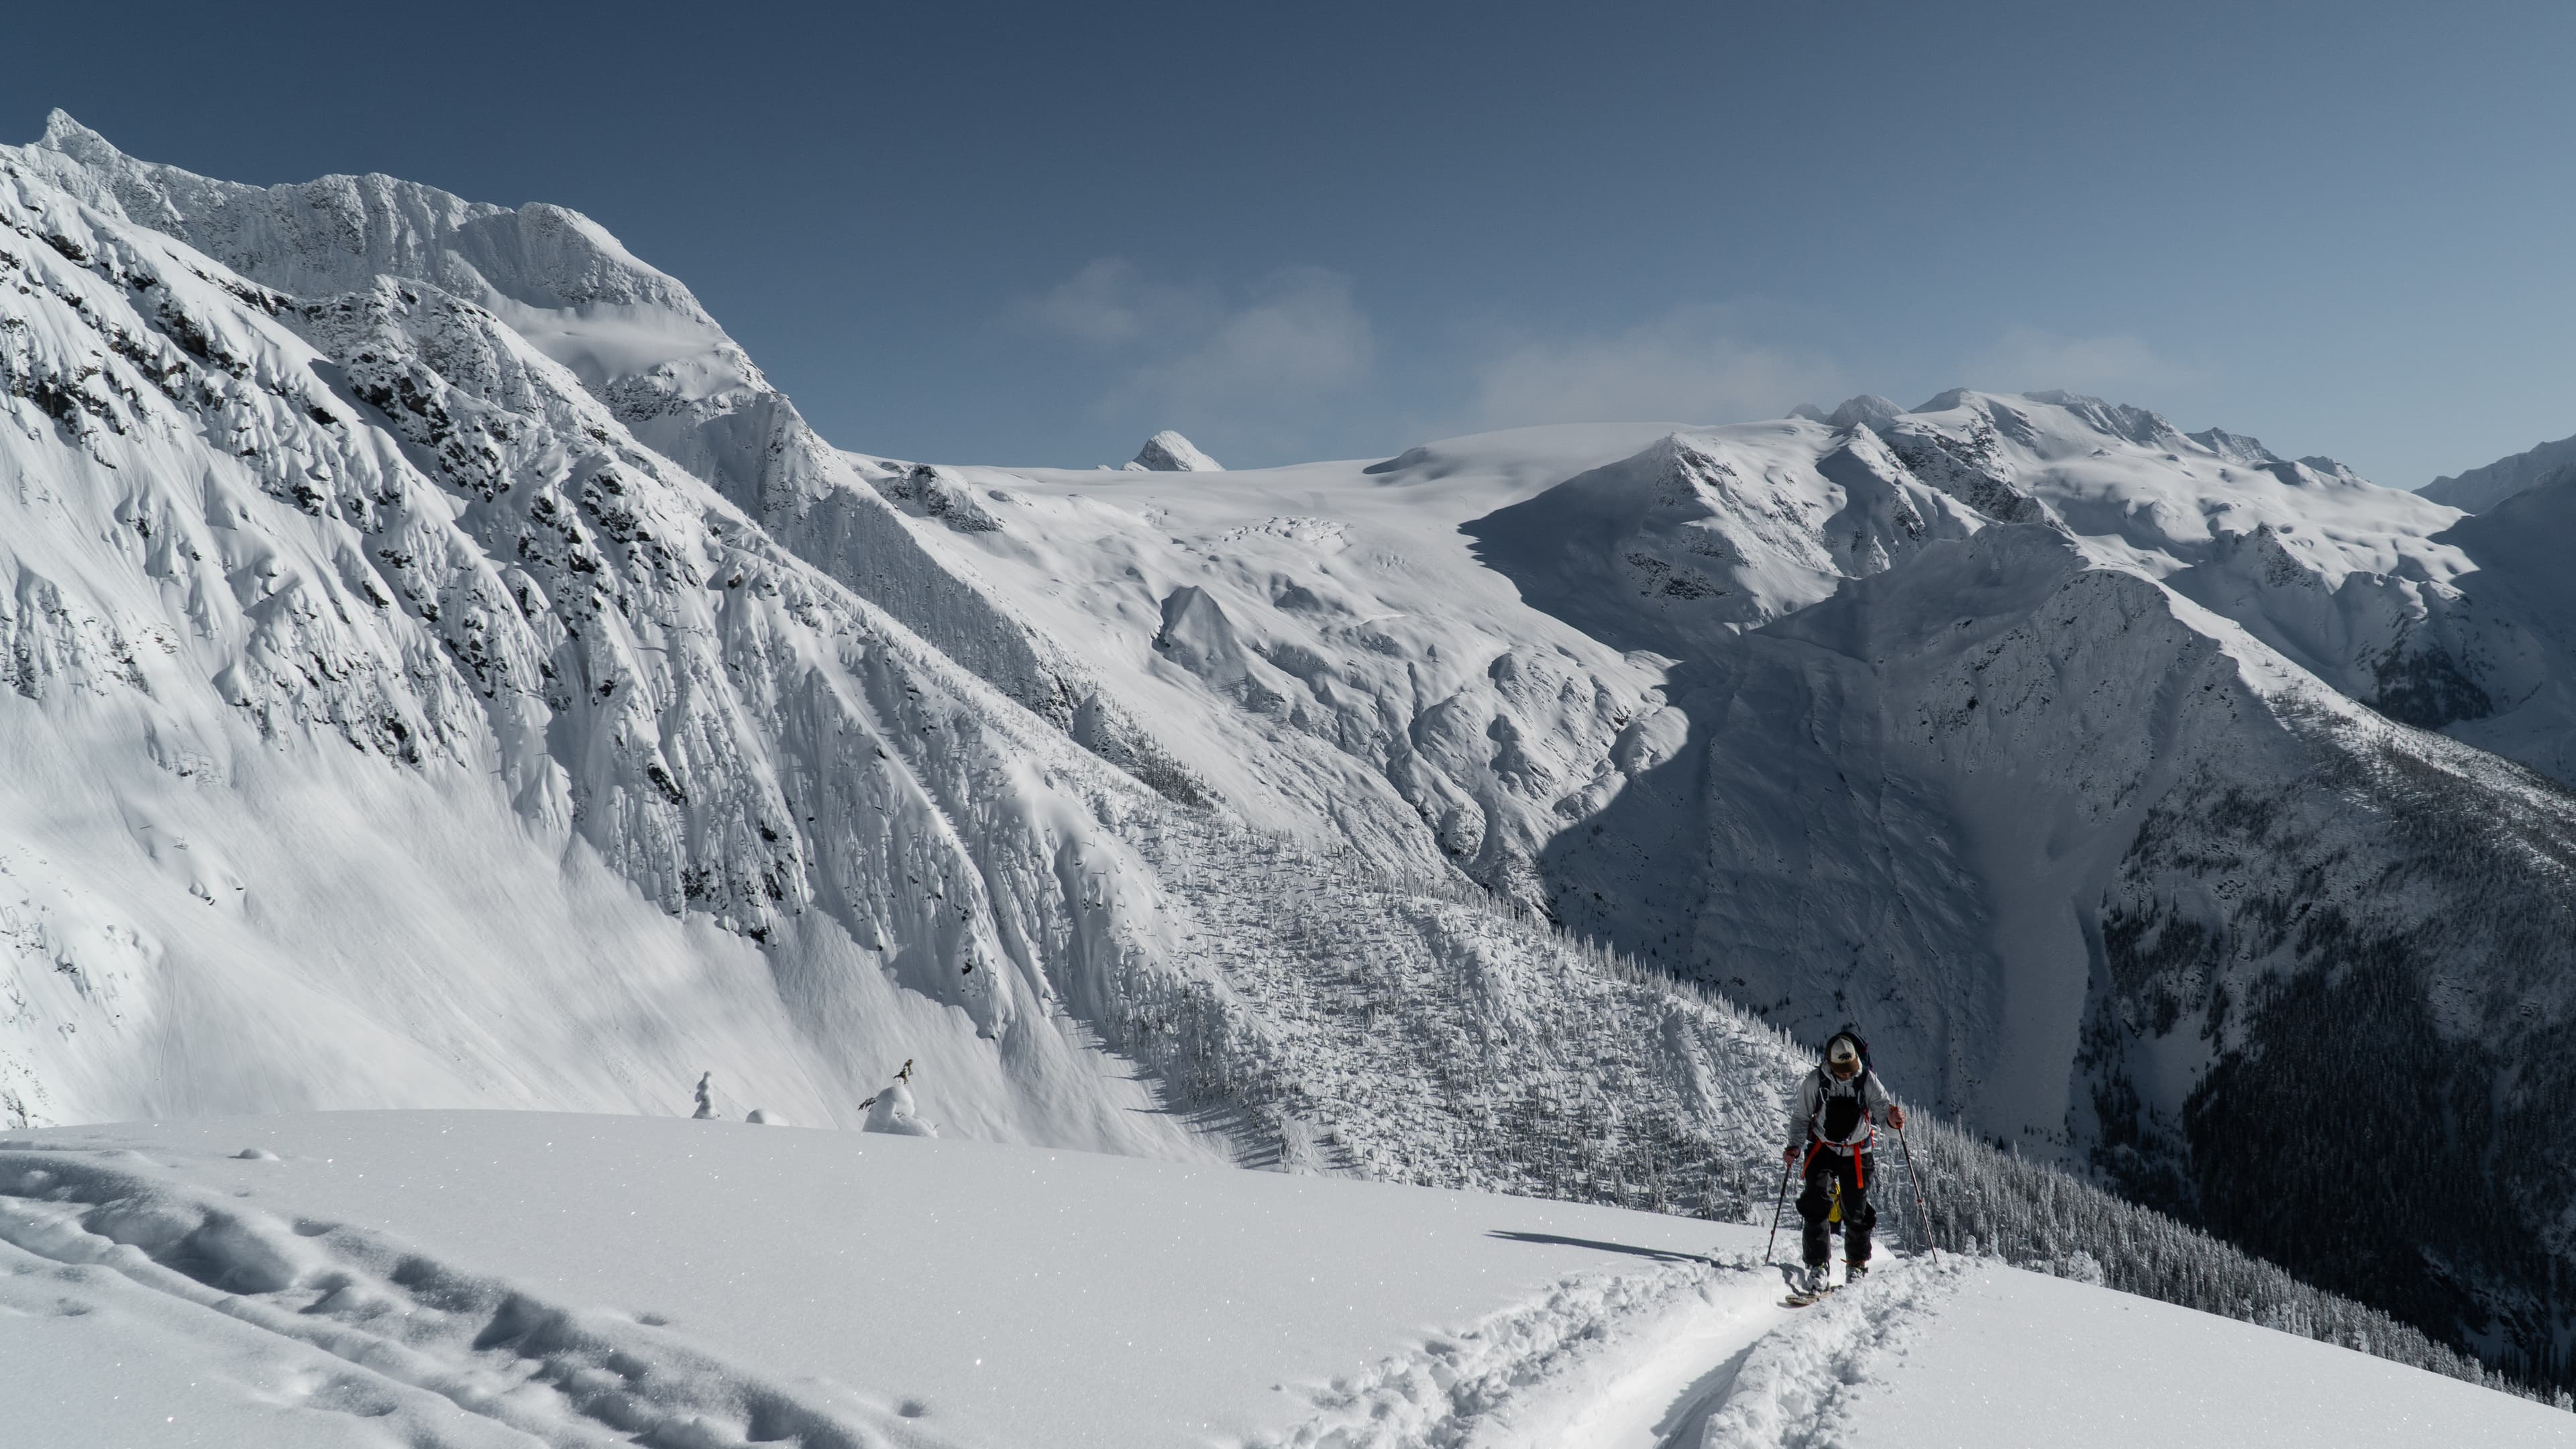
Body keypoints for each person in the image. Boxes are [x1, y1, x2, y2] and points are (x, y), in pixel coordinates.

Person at [1782, 1030, 1903, 1295]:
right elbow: (1802, 1117)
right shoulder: (1816, 1080)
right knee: (1816, 1202)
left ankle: (1856, 1265)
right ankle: (1817, 1266)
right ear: (1831, 1064)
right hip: (1823, 1148)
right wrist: (1794, 1145)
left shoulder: (1868, 1081)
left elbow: (1885, 1118)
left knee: (1856, 1210)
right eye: (1842, 1069)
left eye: (1850, 1068)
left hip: (1857, 1152)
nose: (1847, 1074)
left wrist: (1894, 1122)